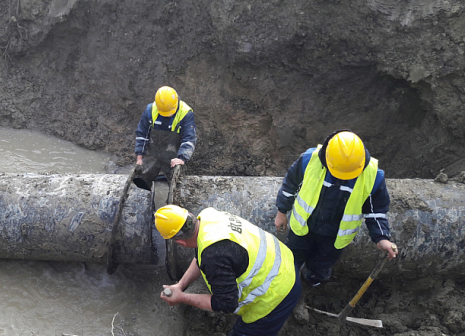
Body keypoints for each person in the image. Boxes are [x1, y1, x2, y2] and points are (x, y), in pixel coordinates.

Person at [274, 130, 398, 290]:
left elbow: (376, 211)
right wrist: (281, 211)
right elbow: (290, 185)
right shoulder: (309, 161)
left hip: (334, 237)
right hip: (303, 228)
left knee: (320, 266)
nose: (344, 177)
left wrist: (382, 238)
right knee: (290, 259)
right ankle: (284, 286)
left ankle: (309, 286)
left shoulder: (373, 177)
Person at [155, 205, 301, 336]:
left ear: (180, 242)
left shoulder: (214, 256)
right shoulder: (208, 216)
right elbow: (202, 255)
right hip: (284, 262)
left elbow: (226, 304)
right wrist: (180, 286)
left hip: (278, 293)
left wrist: (182, 298)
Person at [133, 86, 197, 190]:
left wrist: (182, 158)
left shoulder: (185, 113)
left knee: (177, 184)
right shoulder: (150, 110)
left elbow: (189, 138)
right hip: (152, 154)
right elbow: (142, 134)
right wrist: (139, 157)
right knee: (142, 179)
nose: (167, 116)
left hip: (173, 156)